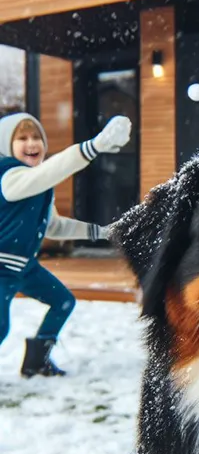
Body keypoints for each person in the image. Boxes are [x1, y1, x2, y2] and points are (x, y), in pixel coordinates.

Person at [0, 111, 132, 377]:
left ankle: (36, 362)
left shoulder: (38, 184)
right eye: (22, 138)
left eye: (36, 137)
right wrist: (93, 147)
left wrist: (101, 232)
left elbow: (54, 226)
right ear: (5, 144)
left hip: (24, 268)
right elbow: (50, 172)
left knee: (62, 301)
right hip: (1, 268)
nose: (32, 143)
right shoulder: (9, 177)